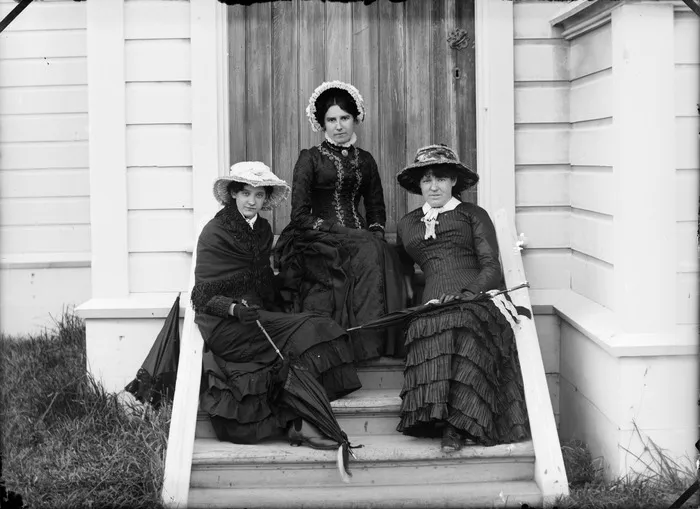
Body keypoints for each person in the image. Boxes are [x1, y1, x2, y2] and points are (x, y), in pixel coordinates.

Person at [192, 161, 362, 448]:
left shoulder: (261, 229)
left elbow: (261, 281)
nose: (252, 201)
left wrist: (285, 299)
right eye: (246, 193)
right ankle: (302, 423)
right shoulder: (215, 231)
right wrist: (233, 308)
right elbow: (202, 295)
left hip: (256, 317)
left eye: (259, 195)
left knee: (318, 327)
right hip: (225, 327)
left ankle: (301, 422)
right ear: (233, 193)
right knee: (306, 333)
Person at [394, 144, 530, 451]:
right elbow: (402, 272)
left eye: (441, 178)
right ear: (419, 184)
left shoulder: (472, 215)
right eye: (427, 179)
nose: (433, 186)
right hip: (432, 301)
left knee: (463, 320)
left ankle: (457, 426)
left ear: (454, 180)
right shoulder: (407, 223)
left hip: (476, 297)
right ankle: (436, 416)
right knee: (425, 324)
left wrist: (466, 294)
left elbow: (491, 266)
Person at [275, 80, 406, 361]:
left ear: (355, 119)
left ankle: (372, 342)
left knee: (380, 250)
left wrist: (376, 232)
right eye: (331, 119)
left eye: (344, 118)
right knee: (365, 251)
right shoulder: (310, 159)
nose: (338, 125)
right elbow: (299, 215)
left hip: (359, 236)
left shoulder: (366, 160)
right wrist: (337, 230)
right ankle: (352, 347)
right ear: (322, 124)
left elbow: (375, 207)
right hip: (317, 234)